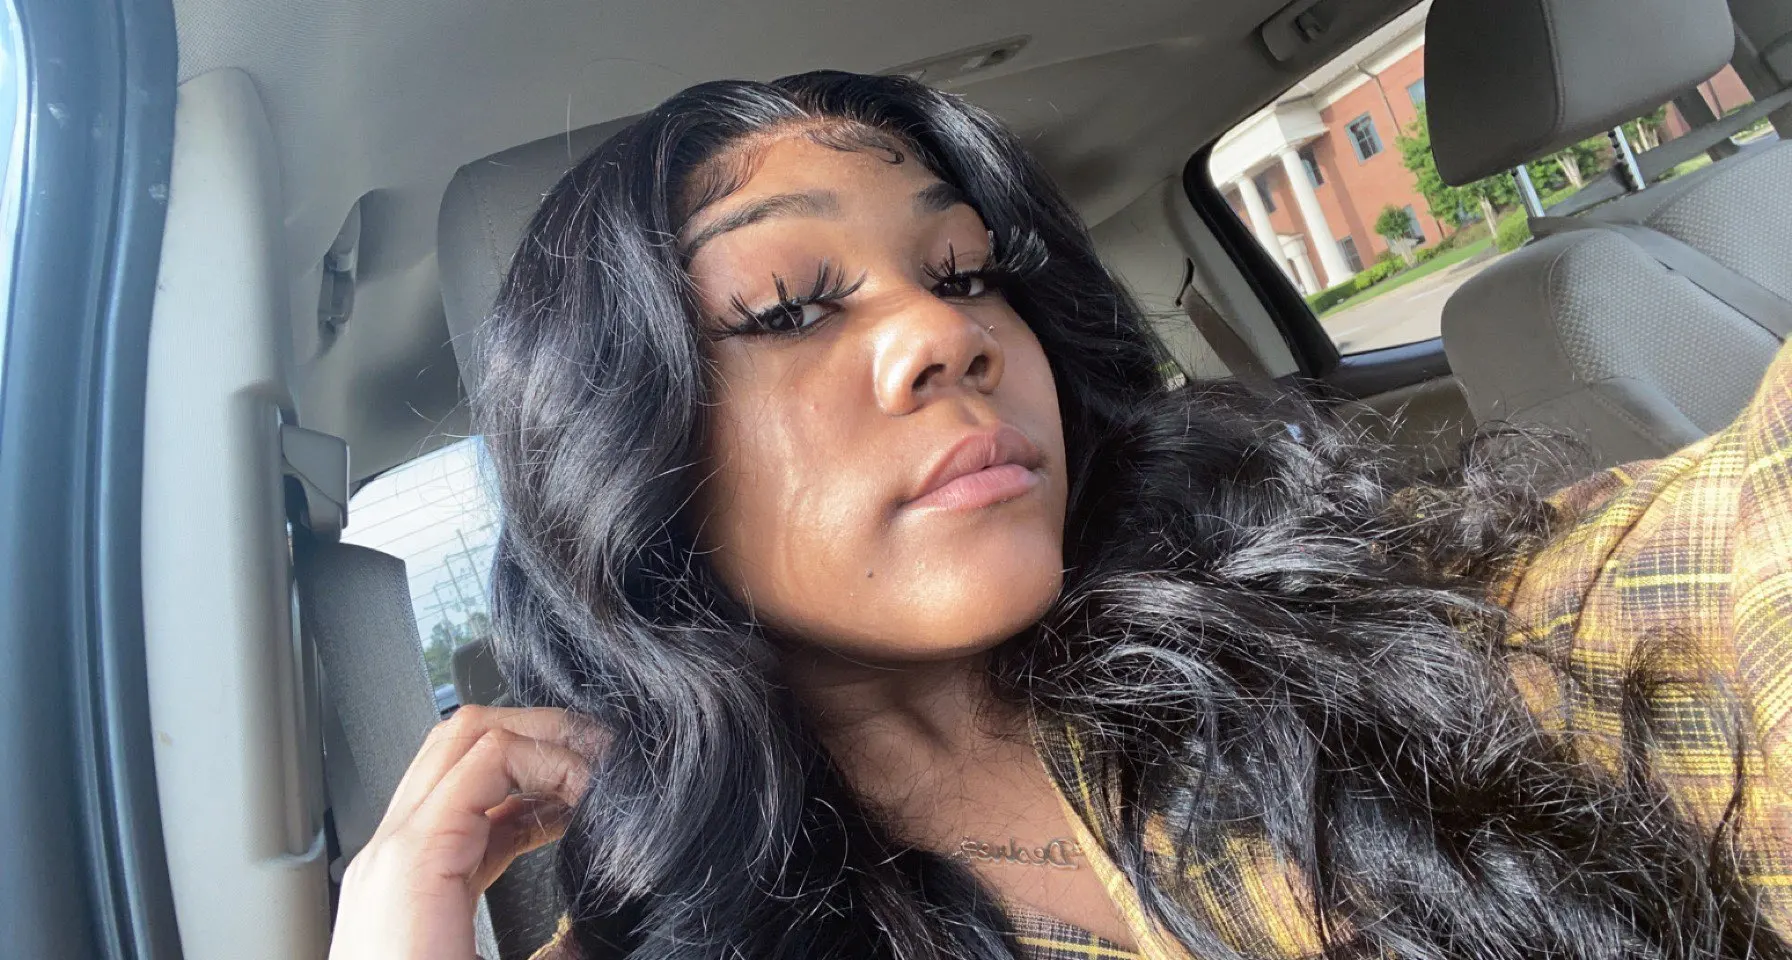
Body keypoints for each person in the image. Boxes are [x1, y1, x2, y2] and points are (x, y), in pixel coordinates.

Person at [328, 71, 1792, 960]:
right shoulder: (672, 937)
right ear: (626, 458)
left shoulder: (1398, 621)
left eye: (965, 272)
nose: (945, 335)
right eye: (784, 307)